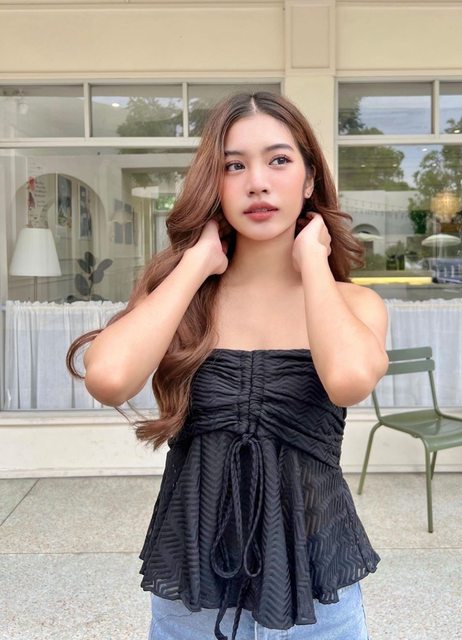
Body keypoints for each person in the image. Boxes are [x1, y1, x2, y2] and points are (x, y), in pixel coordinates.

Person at [66, 92, 389, 640]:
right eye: (233, 165)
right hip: (194, 590)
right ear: (212, 184)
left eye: (279, 160)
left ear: (309, 179)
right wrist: (195, 264)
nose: (257, 183)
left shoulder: (353, 304)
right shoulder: (182, 299)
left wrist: (313, 259)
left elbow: (348, 381)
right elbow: (109, 379)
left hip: (315, 588)